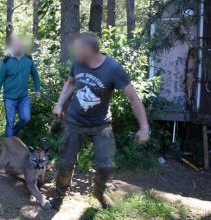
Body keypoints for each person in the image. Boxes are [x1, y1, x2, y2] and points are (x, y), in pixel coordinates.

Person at [51, 32, 150, 210]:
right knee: (66, 162)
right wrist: (59, 104)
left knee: (106, 165)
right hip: (75, 121)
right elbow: (71, 83)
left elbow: (134, 98)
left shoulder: (113, 68)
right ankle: (59, 194)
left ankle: (99, 192)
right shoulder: (78, 62)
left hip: (100, 124)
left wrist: (144, 127)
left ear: (89, 49)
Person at [0, 38, 41, 137]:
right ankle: (9, 146)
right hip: (9, 98)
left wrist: (37, 89)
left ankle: (12, 135)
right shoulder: (6, 61)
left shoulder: (28, 59)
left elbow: (35, 75)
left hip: (23, 97)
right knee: (10, 122)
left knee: (26, 118)